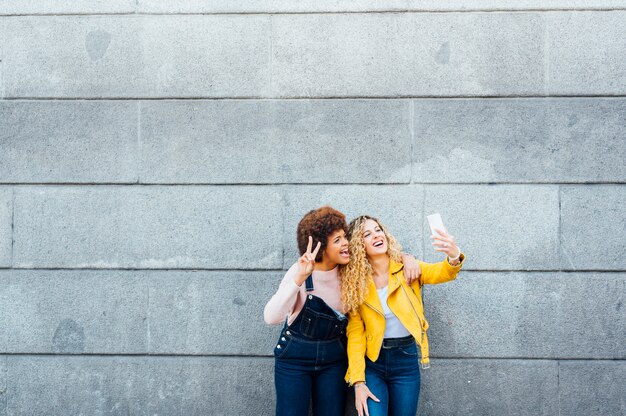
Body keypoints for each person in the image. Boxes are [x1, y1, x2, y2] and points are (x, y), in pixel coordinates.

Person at [264, 207, 421, 416]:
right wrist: (298, 280)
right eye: (337, 240)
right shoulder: (301, 271)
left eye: (344, 237)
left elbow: (380, 257)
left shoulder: (350, 272)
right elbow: (271, 317)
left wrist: (407, 257)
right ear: (322, 247)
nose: (346, 243)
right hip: (295, 360)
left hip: (333, 360)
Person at [341, 215, 465, 416]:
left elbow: (442, 272)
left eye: (378, 230)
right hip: (373, 363)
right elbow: (355, 334)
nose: (376, 236)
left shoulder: (407, 268)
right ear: (358, 244)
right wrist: (358, 382)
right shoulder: (356, 283)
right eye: (367, 234)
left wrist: (453, 255)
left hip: (405, 361)